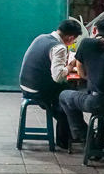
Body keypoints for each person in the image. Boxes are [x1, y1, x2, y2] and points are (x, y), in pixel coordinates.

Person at [18, 19, 81, 149]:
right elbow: (58, 77)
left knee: (65, 94)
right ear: (70, 37)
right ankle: (69, 137)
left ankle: (69, 134)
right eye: (74, 41)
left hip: (25, 85)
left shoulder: (41, 37)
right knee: (68, 96)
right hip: (38, 90)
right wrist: (70, 66)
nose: (73, 43)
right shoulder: (59, 47)